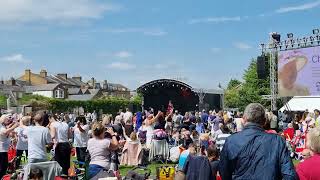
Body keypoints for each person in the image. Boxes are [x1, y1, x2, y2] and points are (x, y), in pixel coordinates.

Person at [219, 103, 297, 180]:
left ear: (244, 119)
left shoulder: (232, 141)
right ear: (264, 121)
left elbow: (224, 172)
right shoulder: (277, 141)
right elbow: (289, 174)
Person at [0, 115, 19, 179]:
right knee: (2, 168)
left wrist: (12, 125)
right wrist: (14, 126)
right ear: (3, 119)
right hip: (1, 151)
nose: (9, 120)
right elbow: (4, 132)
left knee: (4, 167)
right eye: (7, 119)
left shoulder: (3, 126)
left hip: (4, 150)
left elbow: (6, 129)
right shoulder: (1, 126)